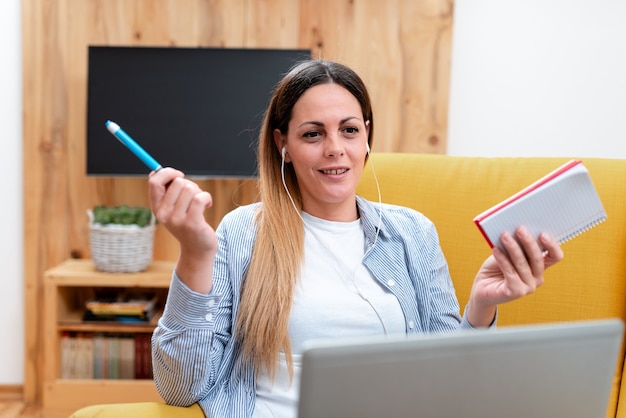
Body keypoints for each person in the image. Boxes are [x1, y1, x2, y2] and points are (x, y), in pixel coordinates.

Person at [148, 59, 564, 417]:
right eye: (313, 134)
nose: (335, 149)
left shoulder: (412, 232)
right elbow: (181, 386)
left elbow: (450, 383)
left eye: (349, 130)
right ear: (284, 145)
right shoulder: (243, 232)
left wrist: (481, 308)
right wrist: (195, 255)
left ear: (366, 137)